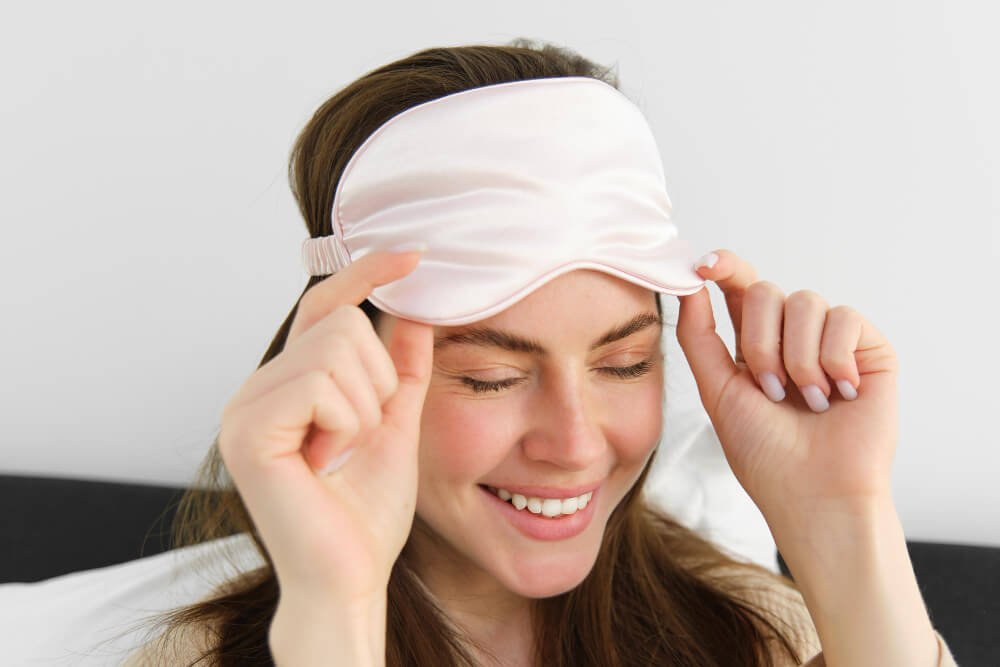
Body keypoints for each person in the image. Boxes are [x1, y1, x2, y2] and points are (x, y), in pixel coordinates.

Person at [123, 40, 956, 666]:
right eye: (492, 377)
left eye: (624, 363)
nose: (578, 444)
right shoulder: (211, 654)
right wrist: (335, 608)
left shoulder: (767, 633)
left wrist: (847, 526)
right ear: (351, 364)